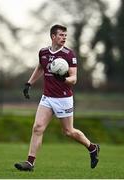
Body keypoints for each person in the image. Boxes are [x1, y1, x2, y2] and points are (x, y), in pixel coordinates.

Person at [14, 24, 100, 171]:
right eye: (61, 35)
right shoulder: (43, 52)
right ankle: (30, 163)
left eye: (65, 35)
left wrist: (63, 79)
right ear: (53, 36)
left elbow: (74, 79)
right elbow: (40, 67)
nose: (64, 38)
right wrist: (29, 83)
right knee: (37, 127)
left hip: (63, 98)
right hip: (47, 97)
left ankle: (92, 148)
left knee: (68, 132)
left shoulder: (68, 54)